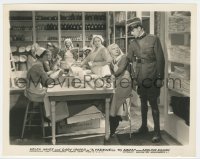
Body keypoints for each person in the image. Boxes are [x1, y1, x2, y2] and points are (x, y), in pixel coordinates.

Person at [127, 17, 165, 143]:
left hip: (152, 75)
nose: (131, 33)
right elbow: (129, 60)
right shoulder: (132, 44)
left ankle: (157, 132)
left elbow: (160, 59)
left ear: (139, 28)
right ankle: (144, 127)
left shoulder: (153, 39)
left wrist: (160, 77)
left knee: (153, 103)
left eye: (132, 31)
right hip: (140, 76)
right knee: (143, 102)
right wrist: (133, 76)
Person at [25, 47, 69, 122]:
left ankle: (57, 118)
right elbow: (48, 82)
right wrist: (59, 77)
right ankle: (56, 119)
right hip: (35, 93)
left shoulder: (37, 63)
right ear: (42, 56)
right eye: (46, 55)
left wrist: (52, 72)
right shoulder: (38, 65)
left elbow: (43, 74)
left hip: (30, 90)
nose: (48, 57)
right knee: (59, 96)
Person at [107, 43, 132, 137]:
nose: (116, 49)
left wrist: (112, 75)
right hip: (117, 83)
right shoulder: (113, 60)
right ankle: (116, 118)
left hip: (125, 83)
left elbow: (119, 71)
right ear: (110, 51)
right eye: (113, 49)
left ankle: (113, 124)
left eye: (117, 48)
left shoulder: (124, 57)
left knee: (113, 99)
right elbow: (111, 73)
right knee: (108, 98)